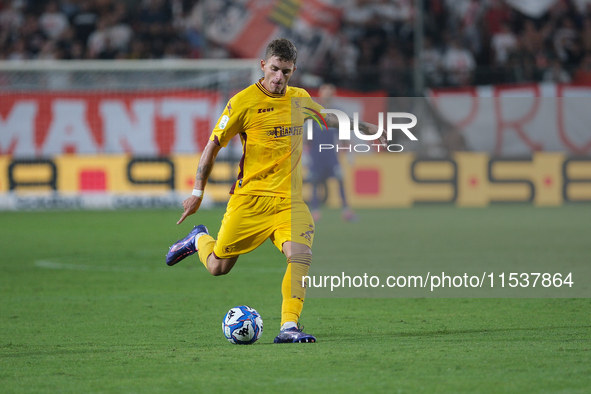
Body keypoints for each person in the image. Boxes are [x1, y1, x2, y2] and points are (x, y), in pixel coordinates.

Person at [165, 38, 384, 343]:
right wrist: (197, 193)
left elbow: (329, 118)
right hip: (250, 201)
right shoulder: (242, 102)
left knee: (301, 256)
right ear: (263, 66)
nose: (280, 77)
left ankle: (289, 327)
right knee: (218, 267)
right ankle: (198, 237)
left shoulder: (299, 98)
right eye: (275, 69)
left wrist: (366, 127)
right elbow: (212, 146)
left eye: (287, 71)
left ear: (294, 71)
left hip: (289, 203)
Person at [306, 83, 356, 222]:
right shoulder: (313, 112)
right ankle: (315, 212)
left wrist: (350, 153)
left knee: (340, 179)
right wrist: (304, 155)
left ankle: (346, 210)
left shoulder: (337, 113)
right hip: (316, 155)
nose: (327, 95)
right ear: (320, 94)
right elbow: (306, 137)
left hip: (331, 155)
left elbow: (344, 136)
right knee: (314, 182)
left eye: (330, 92)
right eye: (325, 92)